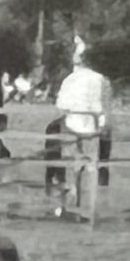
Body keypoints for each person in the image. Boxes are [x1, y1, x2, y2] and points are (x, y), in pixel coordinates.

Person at [52, 39, 112, 216]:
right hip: (95, 129)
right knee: (102, 151)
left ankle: (71, 187)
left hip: (73, 126)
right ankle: (100, 182)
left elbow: (61, 105)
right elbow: (106, 107)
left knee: (61, 142)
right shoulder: (101, 79)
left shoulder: (70, 79)